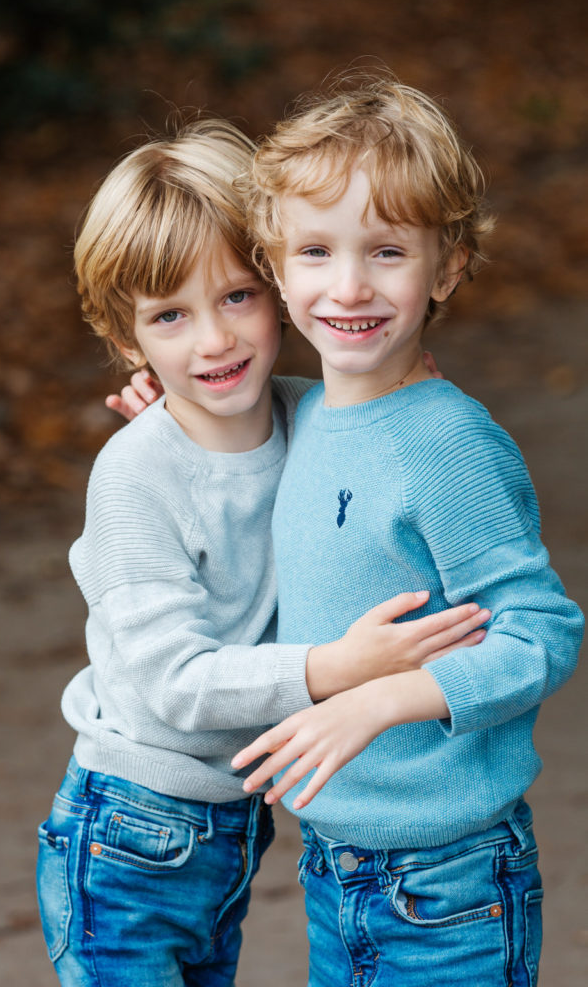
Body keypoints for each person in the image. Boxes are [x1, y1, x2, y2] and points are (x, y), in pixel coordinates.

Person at [35, 117, 489, 987]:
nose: (213, 341)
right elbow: (172, 681)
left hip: (230, 825)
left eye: (238, 297)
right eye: (170, 316)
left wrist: (417, 401)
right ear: (128, 341)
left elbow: (375, 420)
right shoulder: (134, 475)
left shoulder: (307, 416)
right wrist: (335, 668)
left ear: (280, 282)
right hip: (131, 827)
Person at [231, 77, 585, 986]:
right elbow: (226, 407)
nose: (348, 286)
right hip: (334, 862)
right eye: (315, 250)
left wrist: (386, 697)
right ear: (274, 265)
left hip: (452, 878)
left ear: (449, 266)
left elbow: (542, 633)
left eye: (386, 251)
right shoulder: (306, 414)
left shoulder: (447, 445)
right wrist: (164, 402)